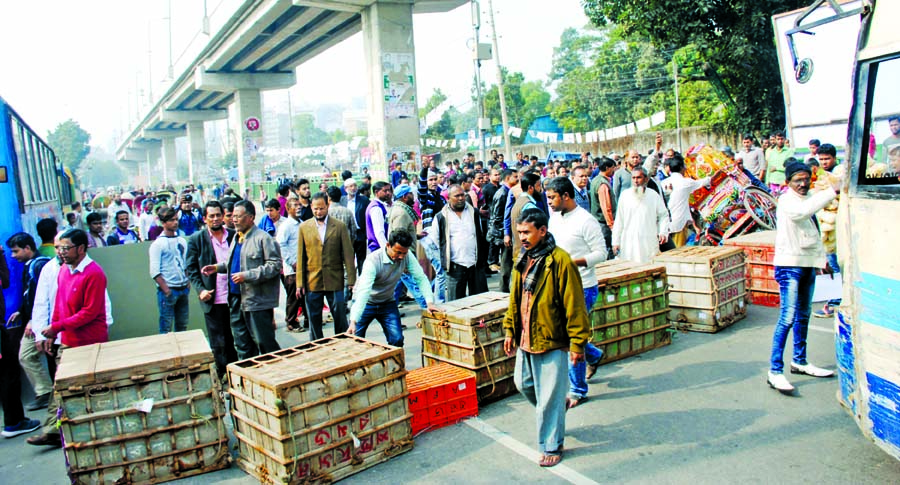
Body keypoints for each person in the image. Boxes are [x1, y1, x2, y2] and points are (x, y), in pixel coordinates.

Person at [502, 208, 590, 468]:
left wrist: (577, 344)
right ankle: (555, 407)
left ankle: (551, 444)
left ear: (543, 231)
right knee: (524, 384)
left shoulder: (560, 261)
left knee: (548, 399)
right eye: (519, 233)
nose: (523, 238)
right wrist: (510, 329)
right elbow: (514, 299)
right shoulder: (523, 257)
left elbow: (574, 306)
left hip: (552, 339)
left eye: (527, 232)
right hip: (527, 338)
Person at [28, 229, 109, 447]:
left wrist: (57, 327)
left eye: (66, 248)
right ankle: (53, 430)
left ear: (81, 249)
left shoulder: (94, 273)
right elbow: (59, 305)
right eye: (59, 248)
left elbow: (90, 312)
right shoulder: (63, 270)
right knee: (61, 388)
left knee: (91, 387)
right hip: (68, 340)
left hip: (90, 341)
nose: (61, 252)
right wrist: (52, 331)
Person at [767, 161, 840, 393]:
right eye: (797, 180)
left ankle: (800, 361)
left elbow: (813, 235)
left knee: (803, 316)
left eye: (805, 179)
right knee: (787, 318)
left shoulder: (808, 198)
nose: (802, 183)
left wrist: (822, 262)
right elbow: (802, 213)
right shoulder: (788, 200)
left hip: (807, 265)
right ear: (788, 182)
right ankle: (774, 371)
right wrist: (832, 191)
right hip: (789, 267)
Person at [544, 177, 608, 408]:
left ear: (566, 196)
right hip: (559, 286)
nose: (548, 201)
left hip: (583, 287)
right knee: (566, 335)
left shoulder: (586, 220)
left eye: (552, 197)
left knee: (574, 338)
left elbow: (602, 253)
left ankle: (577, 389)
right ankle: (593, 355)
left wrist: (575, 262)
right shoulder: (555, 218)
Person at [201, 200, 282, 359]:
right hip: (237, 299)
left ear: (251, 217)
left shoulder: (263, 239)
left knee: (264, 342)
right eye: (233, 216)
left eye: (238, 216)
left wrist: (247, 275)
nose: (234, 220)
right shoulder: (238, 237)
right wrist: (217, 268)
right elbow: (236, 263)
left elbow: (275, 266)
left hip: (256, 301)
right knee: (242, 343)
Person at [349, 230, 437, 347]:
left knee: (397, 340)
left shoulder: (407, 256)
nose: (401, 257)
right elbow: (364, 292)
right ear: (388, 245)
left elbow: (420, 278)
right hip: (366, 303)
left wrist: (429, 302)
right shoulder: (373, 261)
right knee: (354, 340)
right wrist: (354, 320)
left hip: (387, 302)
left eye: (404, 253)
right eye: (398, 252)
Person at [185, 201, 238, 381]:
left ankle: (238, 371)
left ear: (223, 216)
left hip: (234, 294)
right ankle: (224, 375)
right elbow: (191, 269)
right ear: (204, 218)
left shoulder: (234, 235)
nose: (215, 219)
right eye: (211, 216)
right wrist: (201, 290)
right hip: (212, 297)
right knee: (219, 340)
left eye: (218, 215)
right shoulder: (196, 240)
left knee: (237, 336)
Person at [2, 234, 45, 438]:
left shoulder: (36, 265)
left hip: (28, 321)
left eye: (15, 251)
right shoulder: (34, 265)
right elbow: (4, 281)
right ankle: (14, 421)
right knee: (11, 371)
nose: (12, 255)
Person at [297, 193, 356, 341]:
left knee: (340, 315)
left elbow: (348, 255)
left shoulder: (339, 226)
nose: (318, 212)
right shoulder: (304, 227)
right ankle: (317, 345)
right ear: (311, 208)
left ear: (327, 206)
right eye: (315, 209)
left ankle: (342, 342)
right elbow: (301, 257)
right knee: (314, 317)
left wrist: (351, 281)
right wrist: (300, 283)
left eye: (322, 208)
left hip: (334, 279)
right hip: (312, 280)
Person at [429, 185, 488, 301]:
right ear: (448, 198)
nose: (461, 198)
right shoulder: (441, 217)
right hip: (455, 266)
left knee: (480, 301)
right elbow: (436, 241)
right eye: (457, 196)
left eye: (462, 195)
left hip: (475, 263)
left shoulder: (474, 213)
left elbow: (480, 234)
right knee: (456, 303)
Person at [612, 167, 670, 263]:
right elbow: (619, 220)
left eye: (638, 178)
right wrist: (615, 242)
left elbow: (663, 215)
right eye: (633, 178)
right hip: (629, 241)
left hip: (648, 240)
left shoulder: (653, 195)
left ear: (646, 179)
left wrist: (663, 232)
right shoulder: (624, 196)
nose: (636, 181)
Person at [149, 207, 190, 334]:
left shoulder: (182, 240)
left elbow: (185, 263)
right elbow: (154, 271)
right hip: (169, 290)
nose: (175, 222)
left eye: (176, 219)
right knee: (166, 327)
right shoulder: (158, 244)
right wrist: (166, 290)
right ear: (163, 223)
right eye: (171, 220)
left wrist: (187, 282)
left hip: (183, 288)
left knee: (182, 325)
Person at [389, 184, 428, 307]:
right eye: (411, 194)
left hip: (403, 254)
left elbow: (404, 233)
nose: (413, 197)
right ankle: (428, 310)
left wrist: (416, 236)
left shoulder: (402, 209)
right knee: (416, 286)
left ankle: (391, 313)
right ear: (405, 196)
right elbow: (399, 238)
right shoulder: (401, 213)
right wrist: (403, 259)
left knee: (397, 287)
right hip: (405, 256)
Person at [661, 154, 711, 247]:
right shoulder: (685, 182)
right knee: (678, 250)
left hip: (665, 224)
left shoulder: (663, 182)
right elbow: (703, 182)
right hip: (678, 223)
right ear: (682, 168)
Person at [276, 198, 304, 333]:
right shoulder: (286, 226)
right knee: (293, 297)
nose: (298, 208)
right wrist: (292, 262)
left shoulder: (301, 224)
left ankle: (308, 319)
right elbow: (281, 245)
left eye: (299, 205)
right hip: (292, 269)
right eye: (295, 206)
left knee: (304, 295)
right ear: (288, 209)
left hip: (303, 267)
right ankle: (291, 321)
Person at [489, 169, 519, 291]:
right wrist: (505, 234)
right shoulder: (503, 193)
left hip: (507, 233)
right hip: (504, 235)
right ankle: (503, 291)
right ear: (507, 179)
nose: (517, 180)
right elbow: (498, 217)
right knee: (506, 265)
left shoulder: (508, 191)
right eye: (515, 177)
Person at [508, 172, 542, 259]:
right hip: (527, 254)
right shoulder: (528, 205)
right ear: (530, 187)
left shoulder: (520, 201)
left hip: (520, 251)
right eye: (538, 186)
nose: (541, 189)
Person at [589, 157, 617, 260]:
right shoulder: (602, 184)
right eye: (613, 168)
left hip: (601, 222)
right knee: (608, 249)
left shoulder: (595, 180)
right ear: (607, 168)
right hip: (604, 223)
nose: (614, 170)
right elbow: (606, 207)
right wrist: (611, 225)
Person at [341, 178, 370, 274]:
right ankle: (350, 283)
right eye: (351, 186)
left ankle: (362, 281)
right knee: (349, 259)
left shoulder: (364, 200)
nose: (353, 188)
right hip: (347, 234)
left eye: (355, 185)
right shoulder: (342, 201)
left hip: (360, 233)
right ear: (345, 189)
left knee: (362, 259)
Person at [366, 181, 393, 252]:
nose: (388, 193)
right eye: (385, 191)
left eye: (389, 190)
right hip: (379, 248)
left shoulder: (381, 205)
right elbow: (379, 233)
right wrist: (386, 250)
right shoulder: (376, 208)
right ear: (376, 192)